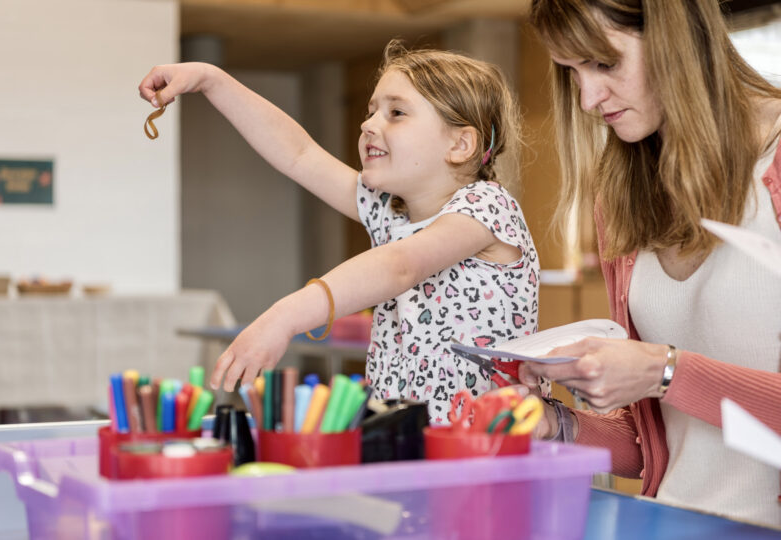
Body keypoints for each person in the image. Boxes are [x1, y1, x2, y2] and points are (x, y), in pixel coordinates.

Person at [138, 41, 540, 424]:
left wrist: (283, 318)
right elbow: (299, 155)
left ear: (460, 143)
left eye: (396, 113)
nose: (367, 124)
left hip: (488, 455)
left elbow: (399, 266)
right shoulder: (391, 214)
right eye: (371, 110)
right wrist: (212, 79)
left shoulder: (487, 207)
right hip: (407, 448)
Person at [521, 0, 781, 527]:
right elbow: (663, 443)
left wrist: (663, 370)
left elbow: (673, 381)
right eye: (571, 71)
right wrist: (555, 426)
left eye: (603, 63)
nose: (589, 99)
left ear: (677, 35)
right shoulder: (621, 195)